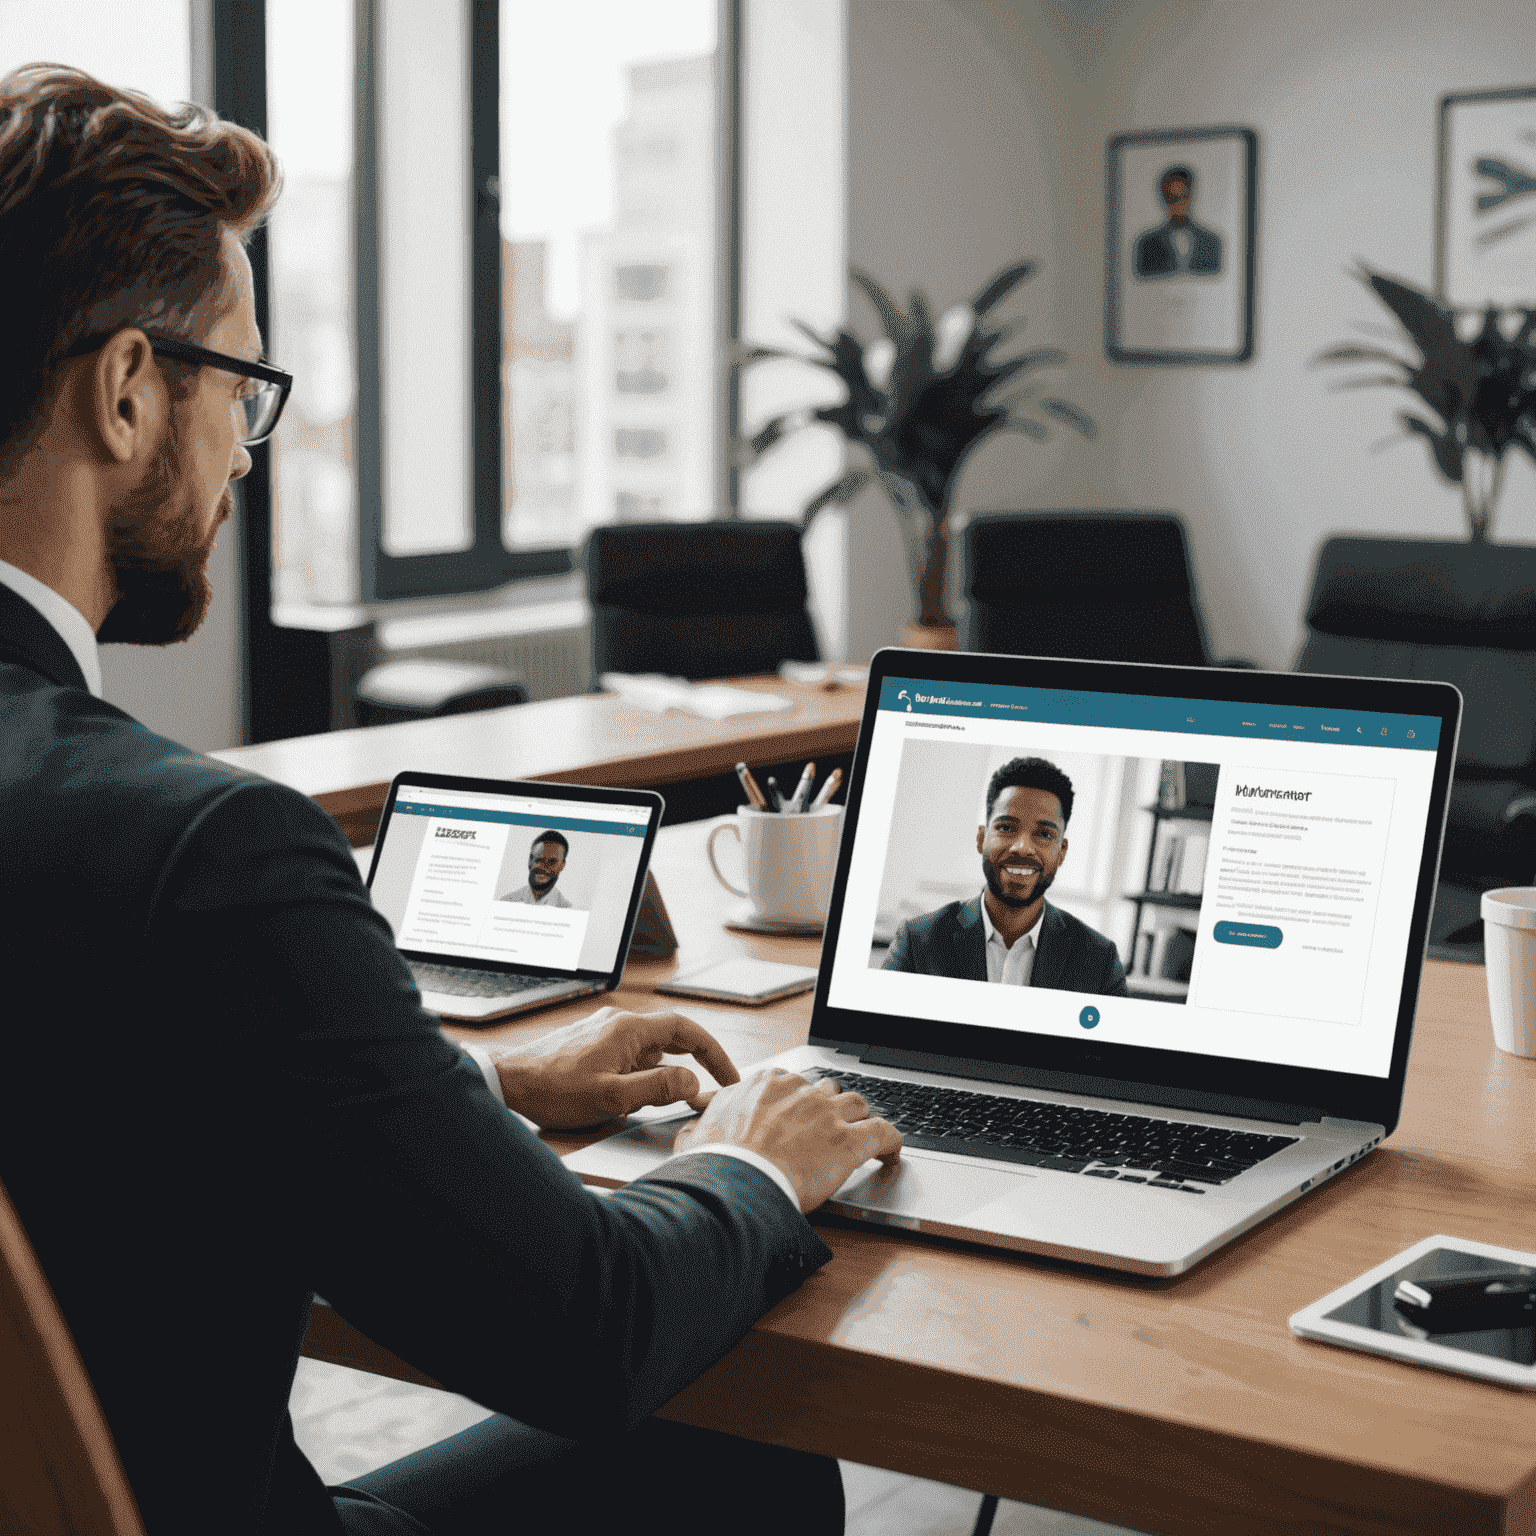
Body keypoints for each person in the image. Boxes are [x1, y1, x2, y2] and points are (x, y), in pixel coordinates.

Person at [0, 65, 901, 1535]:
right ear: (124, 391)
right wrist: (750, 1161)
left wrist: (476, 1086)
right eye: (242, 384)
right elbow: (587, 1328)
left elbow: (99, 1101)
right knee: (744, 1461)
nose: (243, 449)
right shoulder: (200, 851)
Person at [884, 756, 1129, 995]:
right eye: (1006, 828)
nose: (1022, 847)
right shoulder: (919, 941)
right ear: (981, 838)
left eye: (1044, 834)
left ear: (1061, 852)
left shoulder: (1099, 960)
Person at [1132, 165, 1223, 280]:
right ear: (1164, 200)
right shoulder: (1148, 244)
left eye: (1183, 197)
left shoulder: (1211, 241)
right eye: (1172, 198)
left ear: (1191, 195)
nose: (1179, 204)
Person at [499, 830, 573, 907]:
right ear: (530, 860)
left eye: (552, 861)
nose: (544, 867)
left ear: (562, 866)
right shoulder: (507, 902)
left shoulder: (567, 909)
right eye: (539, 860)